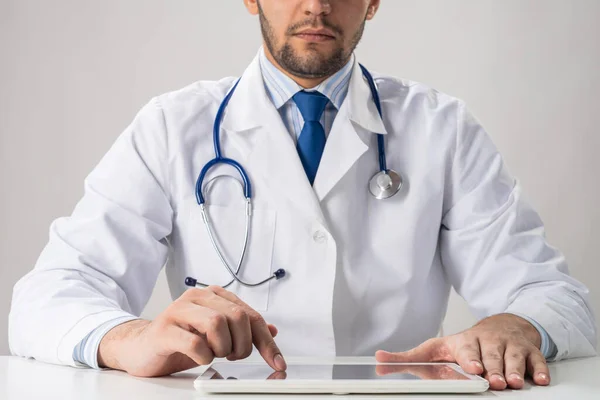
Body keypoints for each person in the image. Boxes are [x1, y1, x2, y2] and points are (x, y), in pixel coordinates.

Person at [8, 0, 597, 391]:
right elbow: (46, 298)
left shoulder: (441, 129)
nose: (315, 4)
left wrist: (520, 325)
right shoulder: (171, 128)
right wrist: (130, 337)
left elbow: (556, 297)